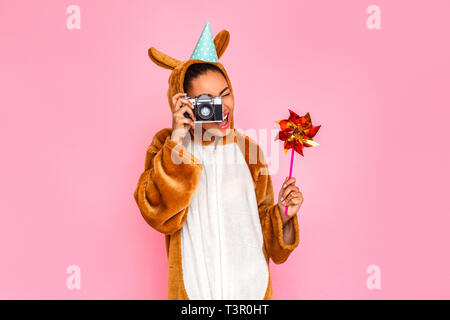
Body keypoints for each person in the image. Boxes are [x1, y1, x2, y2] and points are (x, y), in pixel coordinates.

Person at [134, 23, 303, 300]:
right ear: (185, 103)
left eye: (225, 95)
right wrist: (177, 138)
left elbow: (268, 238)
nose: (222, 108)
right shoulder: (167, 146)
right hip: (196, 293)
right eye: (207, 101)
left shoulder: (250, 152)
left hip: (251, 295)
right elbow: (157, 213)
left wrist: (284, 214)